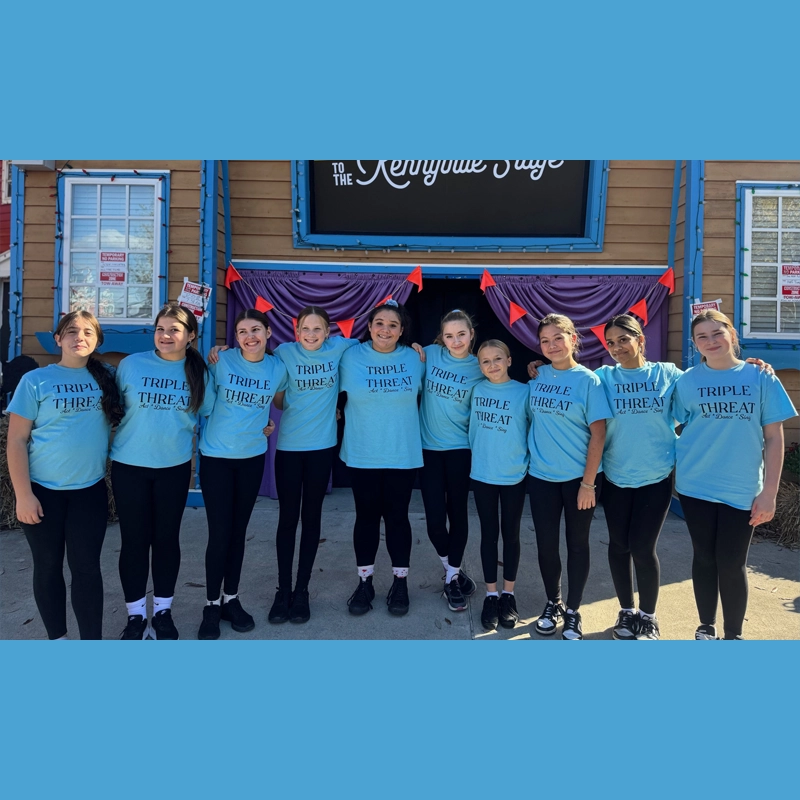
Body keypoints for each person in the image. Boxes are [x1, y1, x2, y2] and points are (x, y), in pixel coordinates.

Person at [672, 310, 796, 640]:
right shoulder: (687, 381)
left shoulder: (761, 378)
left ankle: (733, 635)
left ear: (732, 336)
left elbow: (773, 437)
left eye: (717, 333)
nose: (711, 341)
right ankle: (706, 627)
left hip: (741, 487)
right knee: (704, 557)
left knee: (731, 561)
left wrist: (769, 492)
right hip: (695, 483)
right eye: (702, 336)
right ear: (695, 343)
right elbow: (666, 423)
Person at [6, 311, 123, 640]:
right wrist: (23, 494)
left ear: (97, 341)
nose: (79, 337)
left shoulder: (107, 378)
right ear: (58, 339)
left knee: (86, 569)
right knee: (47, 567)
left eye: (88, 332)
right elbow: (16, 440)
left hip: (89, 492)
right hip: (43, 493)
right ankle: (58, 640)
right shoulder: (36, 381)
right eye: (71, 331)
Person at [112, 303, 214, 640]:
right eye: (160, 329)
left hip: (173, 468)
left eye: (174, 329)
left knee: (167, 540)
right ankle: (136, 615)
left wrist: (266, 423)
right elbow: (111, 412)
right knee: (134, 542)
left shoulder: (199, 372)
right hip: (129, 467)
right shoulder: (131, 365)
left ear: (191, 336)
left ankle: (163, 612)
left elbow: (217, 412)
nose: (165, 335)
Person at [197, 309, 286, 639]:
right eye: (243, 332)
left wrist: (269, 421)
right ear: (234, 338)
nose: (250, 336)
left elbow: (278, 402)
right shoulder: (221, 361)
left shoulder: (277, 368)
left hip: (252, 459)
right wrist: (213, 355)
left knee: (238, 533)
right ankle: (210, 605)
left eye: (256, 330)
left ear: (268, 332)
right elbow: (205, 404)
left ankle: (230, 599)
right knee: (219, 534)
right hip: (218, 459)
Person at [268, 307, 359, 624]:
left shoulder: (342, 347)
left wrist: (338, 403)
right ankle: (283, 591)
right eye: (305, 329)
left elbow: (374, 350)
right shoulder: (283, 352)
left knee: (312, 517)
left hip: (322, 448)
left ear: (328, 332)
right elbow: (277, 398)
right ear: (296, 330)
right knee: (288, 519)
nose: (311, 334)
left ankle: (302, 590)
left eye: (317, 329)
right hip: (289, 448)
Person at [594, 314, 682, 640]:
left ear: (640, 339)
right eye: (611, 342)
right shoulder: (602, 377)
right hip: (616, 476)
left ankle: (648, 616)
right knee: (618, 545)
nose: (617, 347)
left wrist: (750, 369)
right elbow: (570, 378)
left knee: (643, 548)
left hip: (656, 476)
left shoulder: (668, 374)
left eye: (623, 339)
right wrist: (538, 369)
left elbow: (704, 383)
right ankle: (627, 610)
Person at [527, 313, 612, 640]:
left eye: (558, 338)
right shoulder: (537, 375)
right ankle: (554, 602)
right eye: (545, 340)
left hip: (581, 481)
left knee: (577, 545)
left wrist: (588, 483)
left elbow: (599, 433)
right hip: (542, 478)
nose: (552, 345)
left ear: (573, 339)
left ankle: (574, 611)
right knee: (546, 546)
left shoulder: (589, 381)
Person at [339, 300, 425, 617]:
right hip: (362, 453)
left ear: (402, 331)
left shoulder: (417, 358)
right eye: (379, 323)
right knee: (366, 518)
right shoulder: (349, 356)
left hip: (402, 454)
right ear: (369, 326)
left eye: (392, 325)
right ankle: (365, 583)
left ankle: (400, 583)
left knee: (398, 518)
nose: (384, 329)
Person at [419, 310, 483, 612]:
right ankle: (452, 571)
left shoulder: (481, 366)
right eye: (449, 335)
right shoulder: (429, 354)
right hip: (428, 450)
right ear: (440, 338)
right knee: (434, 521)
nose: (455, 340)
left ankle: (452, 578)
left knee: (458, 515)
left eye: (461, 334)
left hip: (461, 450)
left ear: (471, 333)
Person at [469, 340, 532, 631]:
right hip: (483, 473)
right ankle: (491, 595)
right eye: (485, 361)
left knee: (511, 534)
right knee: (488, 535)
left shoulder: (524, 391)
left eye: (497, 359)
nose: (492, 365)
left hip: (513, 475)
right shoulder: (477, 390)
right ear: (479, 365)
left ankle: (509, 594)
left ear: (508, 360)